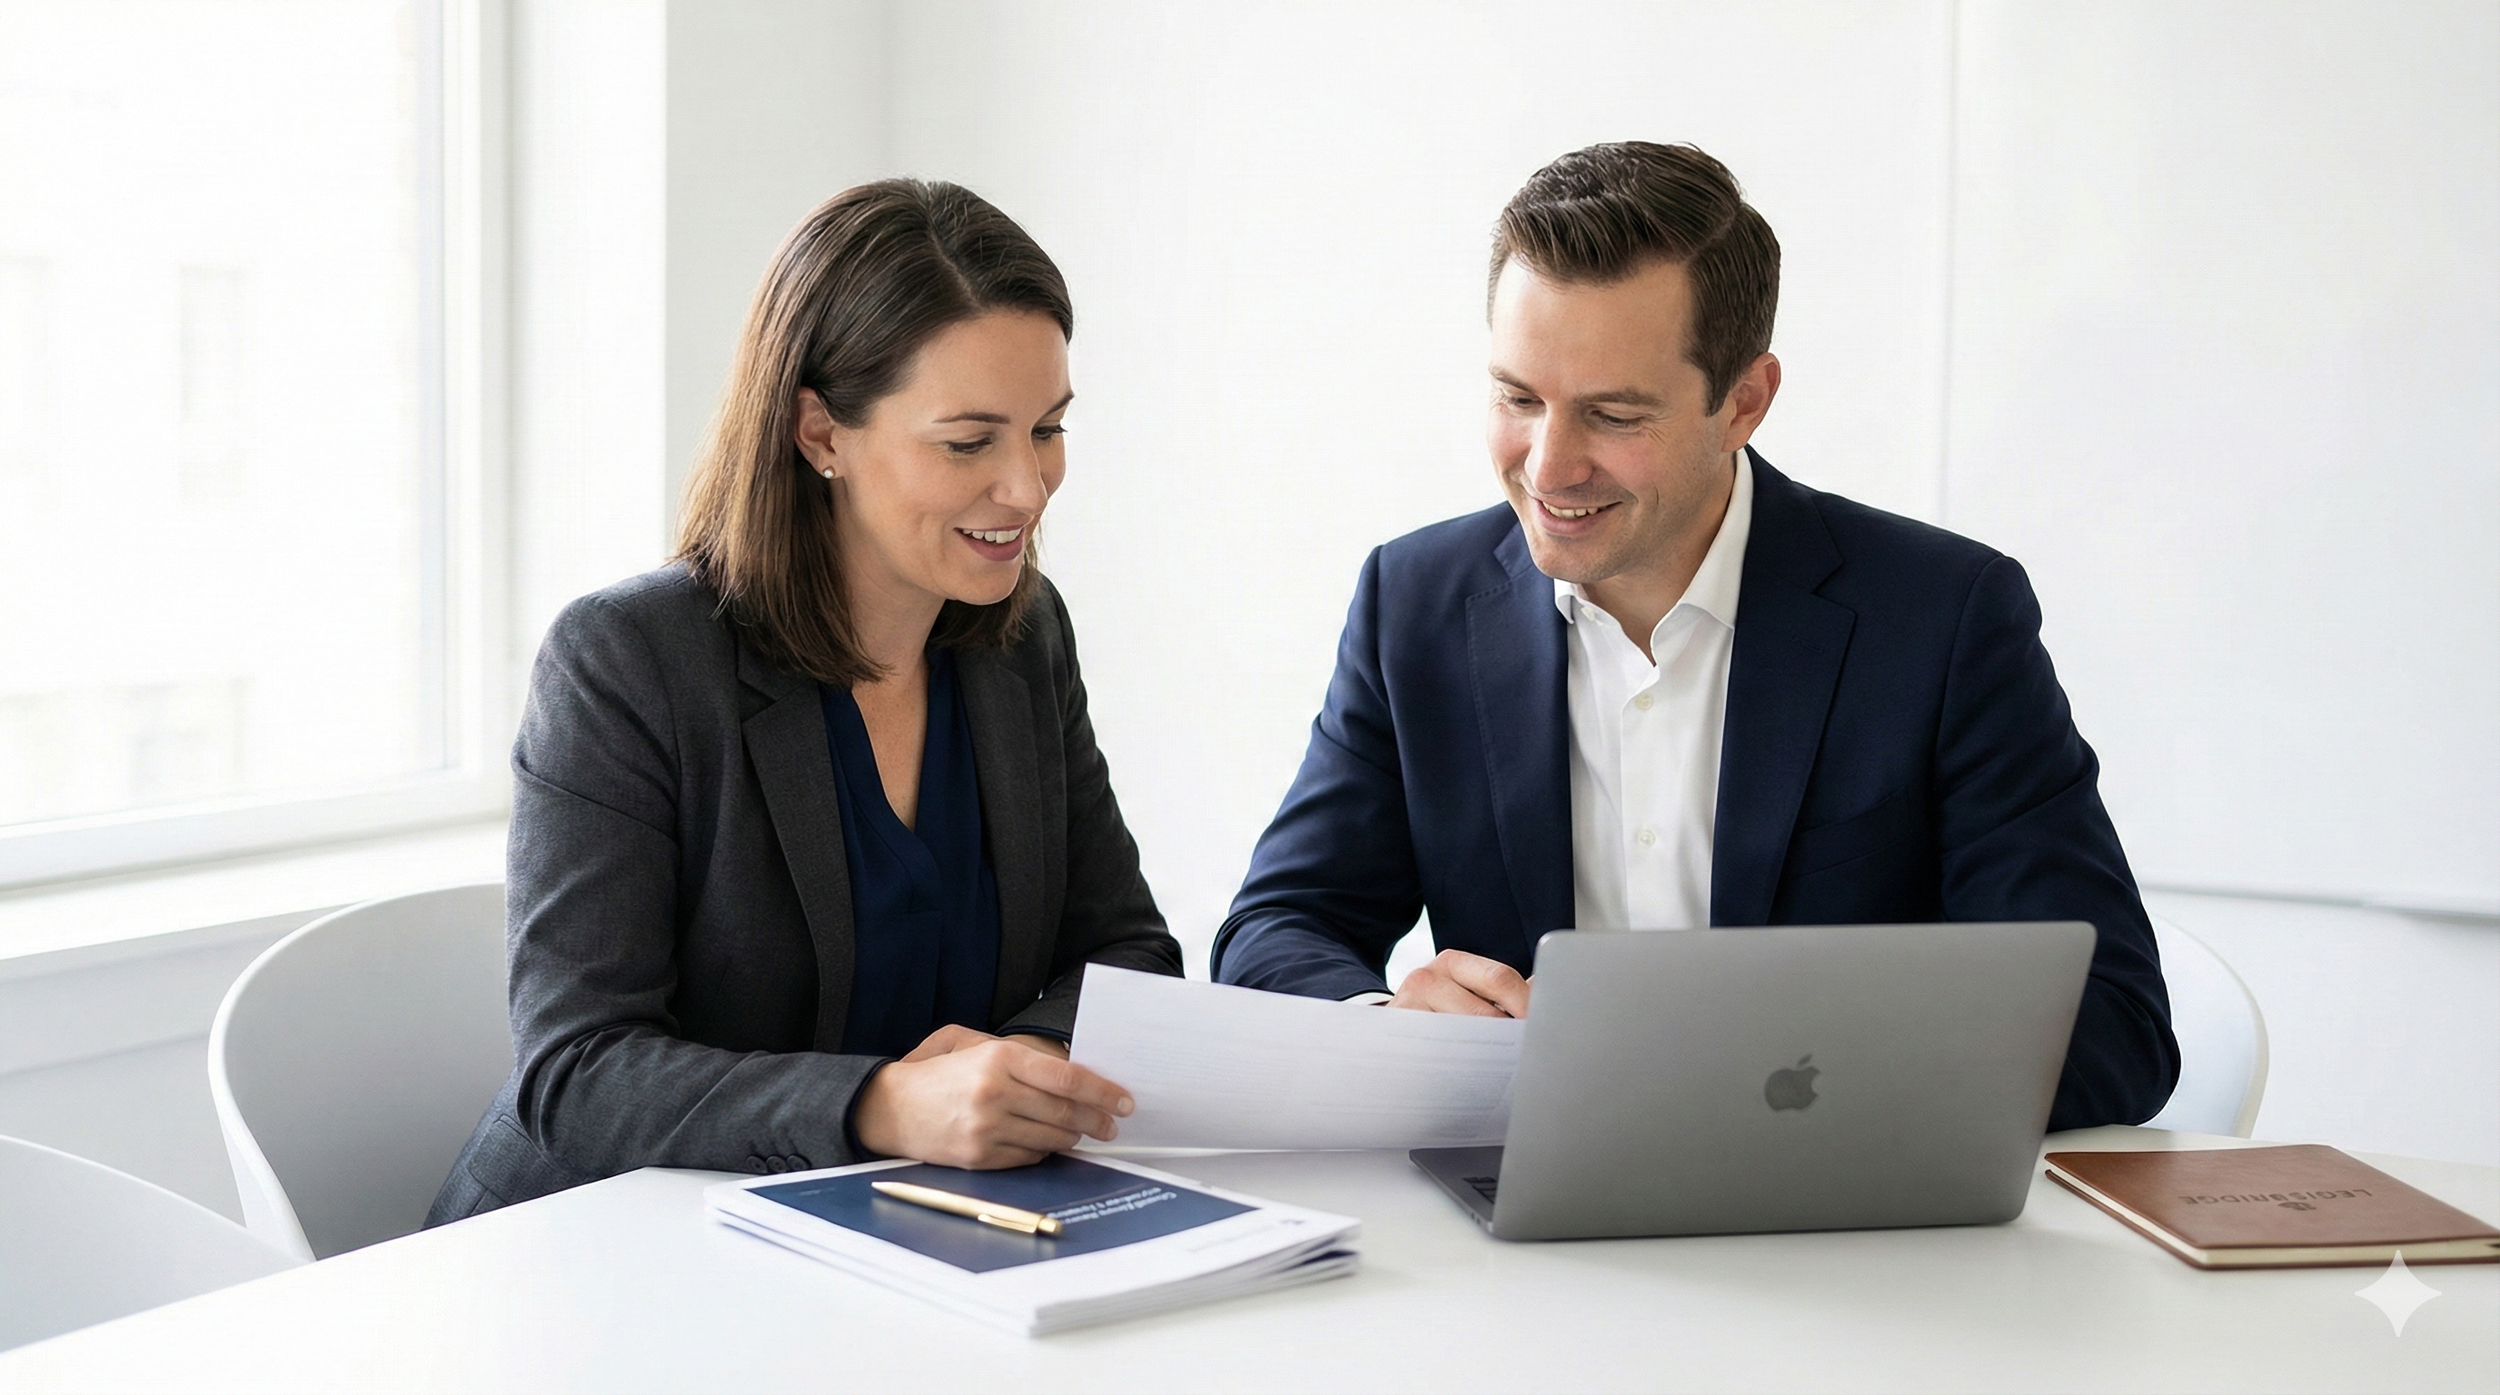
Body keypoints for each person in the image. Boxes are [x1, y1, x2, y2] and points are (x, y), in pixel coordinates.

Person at [1212, 142, 2177, 1130]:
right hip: (1524, 1232)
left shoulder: (1943, 617)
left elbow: (2112, 1028)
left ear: (1742, 403)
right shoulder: (1413, 601)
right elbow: (1278, 928)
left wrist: (1754, 1079)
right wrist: (1386, 1026)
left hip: (1831, 1220)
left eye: (1612, 414)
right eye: (1517, 399)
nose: (1548, 466)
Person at [430, 180, 1178, 1222]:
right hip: (604, 1249)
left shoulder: (1022, 637)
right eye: (968, 442)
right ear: (820, 432)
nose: (1028, 485)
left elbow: (1127, 953)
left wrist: (1020, 1070)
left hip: (905, 1228)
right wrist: (883, 1105)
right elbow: (578, 1072)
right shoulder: (626, 661)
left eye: (1046, 428)